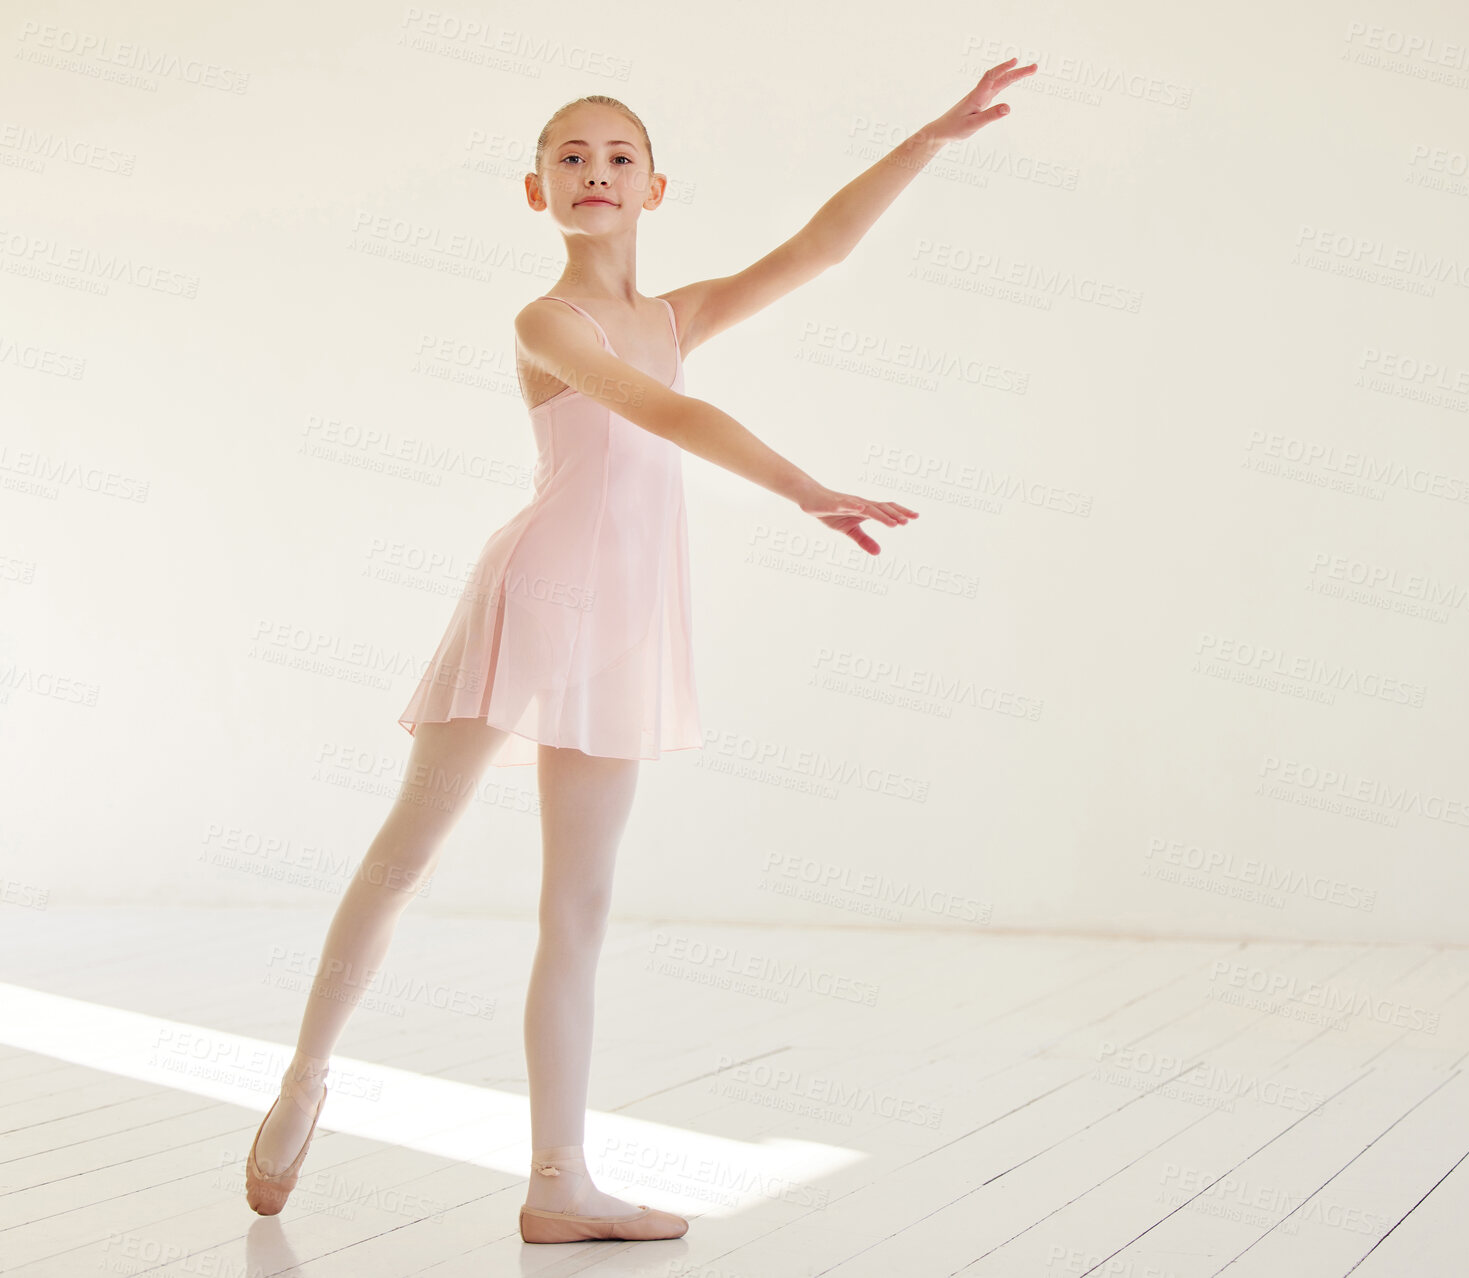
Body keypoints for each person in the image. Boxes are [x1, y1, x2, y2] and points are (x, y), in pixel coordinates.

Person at [243, 56, 1036, 1244]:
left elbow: (819, 247)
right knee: (409, 855)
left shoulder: (678, 316)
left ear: (656, 188)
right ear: (536, 194)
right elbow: (661, 413)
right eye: (572, 157)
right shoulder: (546, 320)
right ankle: (307, 1072)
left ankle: (558, 1180)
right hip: (533, 599)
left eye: (619, 158)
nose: (596, 173)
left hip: (625, 624)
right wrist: (803, 487)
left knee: (583, 903)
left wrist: (926, 139)